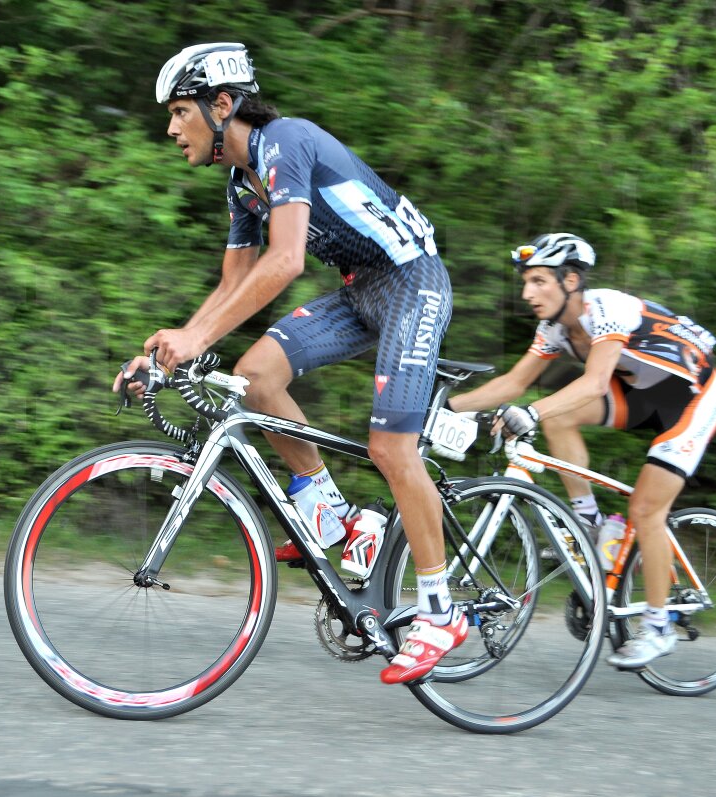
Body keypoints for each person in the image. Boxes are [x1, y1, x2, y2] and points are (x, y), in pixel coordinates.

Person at [113, 42, 462, 684]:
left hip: (415, 281)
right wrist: (166, 351)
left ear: (223, 105)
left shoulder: (285, 143)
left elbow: (287, 261)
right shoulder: (243, 185)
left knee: (391, 448)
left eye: (180, 112)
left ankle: (440, 612)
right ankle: (339, 519)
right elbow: (231, 288)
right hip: (363, 288)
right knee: (255, 377)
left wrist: (193, 340)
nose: (170, 128)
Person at [448, 233, 716, 668]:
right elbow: (514, 383)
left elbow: (595, 383)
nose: (528, 293)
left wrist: (531, 414)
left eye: (539, 281)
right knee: (560, 416)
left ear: (571, 279)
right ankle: (590, 523)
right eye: (526, 282)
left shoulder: (607, 308)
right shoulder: (554, 327)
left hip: (694, 396)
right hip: (643, 392)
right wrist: (442, 406)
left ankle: (657, 627)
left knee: (647, 511)